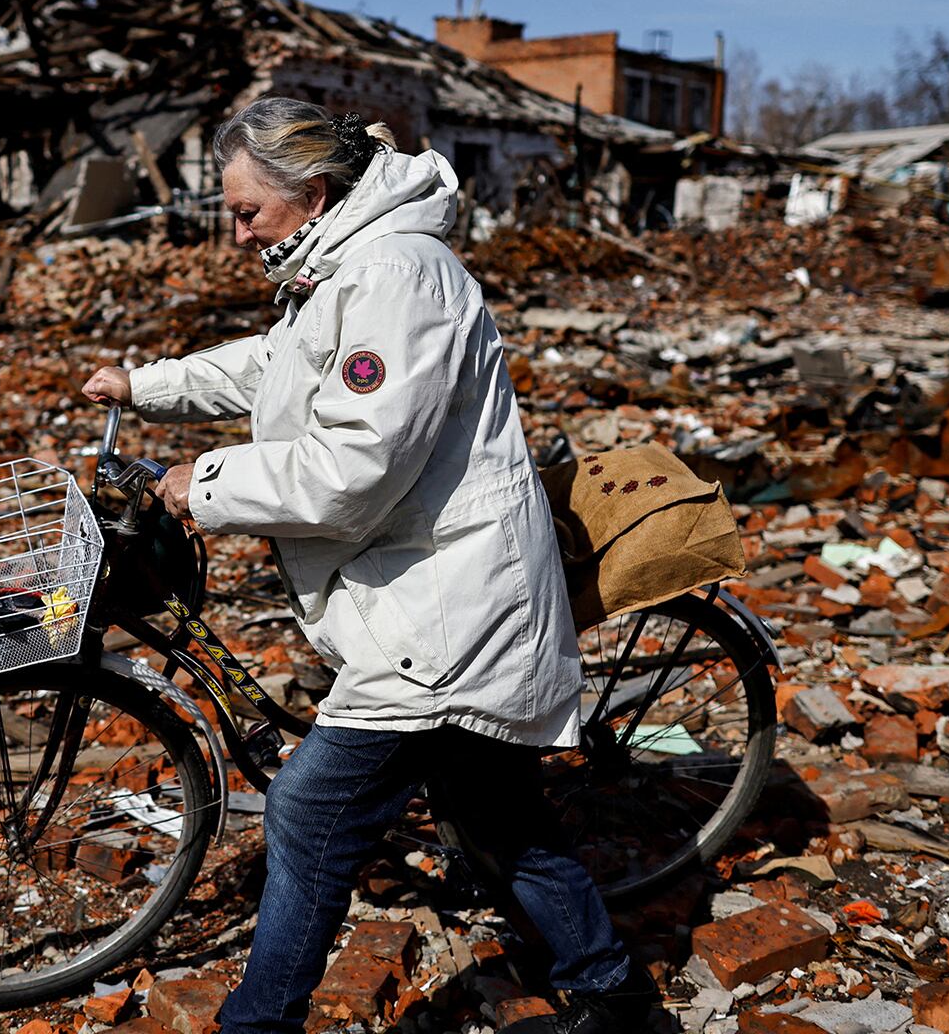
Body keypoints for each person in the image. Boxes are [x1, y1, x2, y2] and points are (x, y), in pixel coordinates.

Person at [81, 98, 656, 1034]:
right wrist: (146, 385)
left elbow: (354, 468)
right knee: (494, 814)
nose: (236, 233)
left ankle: (257, 1025)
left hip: (447, 608)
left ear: (310, 194)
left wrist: (204, 484)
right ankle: (613, 996)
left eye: (246, 212)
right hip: (422, 589)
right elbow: (275, 368)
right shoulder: (342, 265)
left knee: (309, 815)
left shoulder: (397, 273)